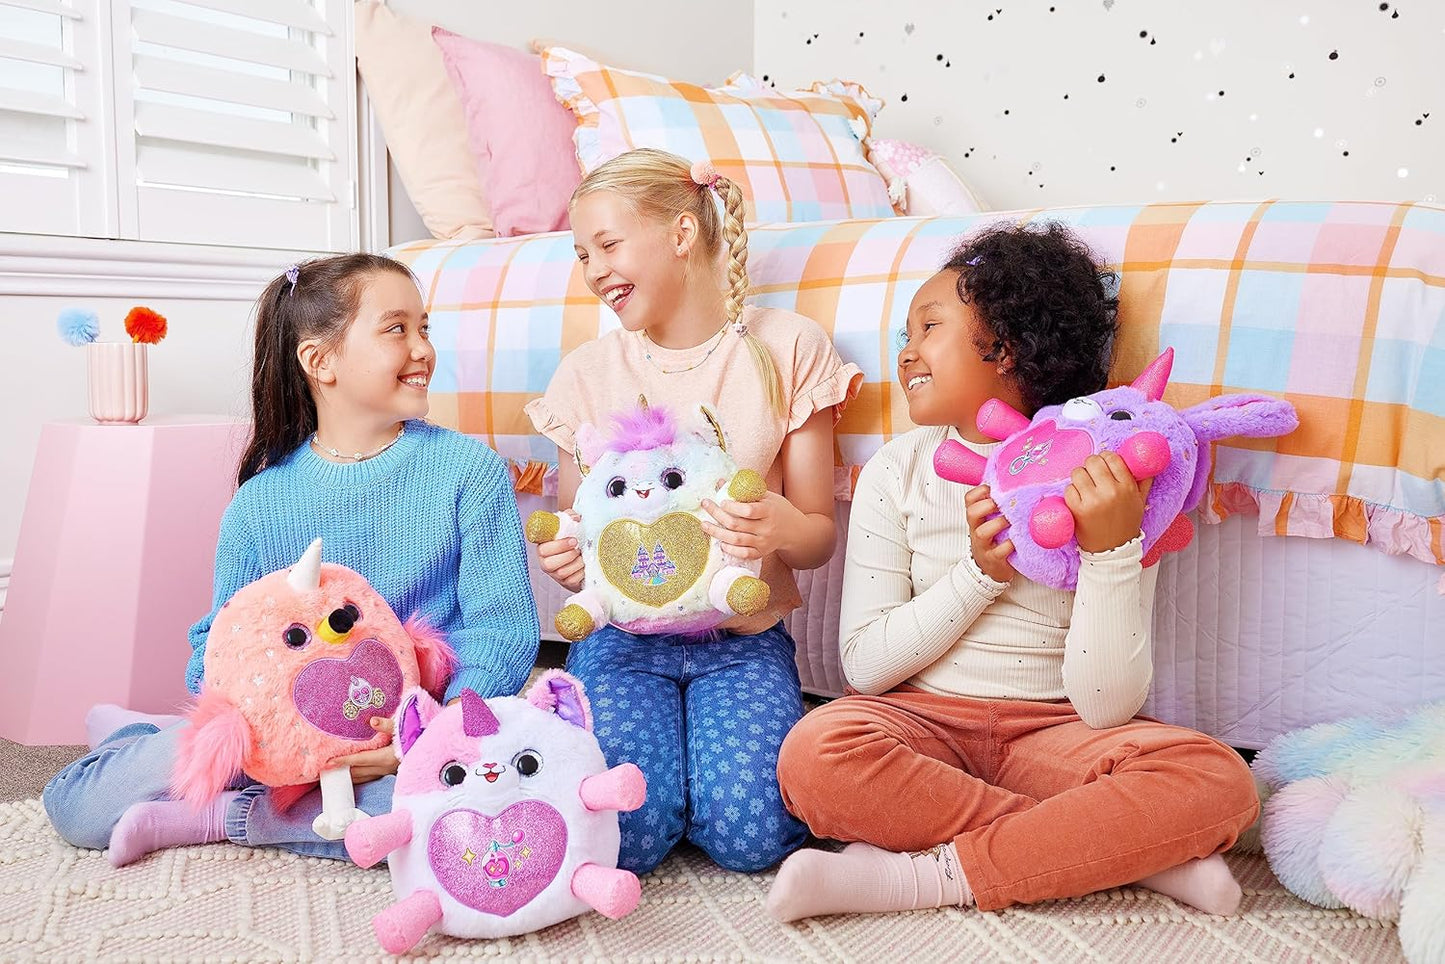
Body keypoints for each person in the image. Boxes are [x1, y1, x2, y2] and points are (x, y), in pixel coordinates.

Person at [766, 223, 1259, 921]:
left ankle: (921, 879)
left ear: (1004, 348)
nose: (905, 351)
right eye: (905, 333)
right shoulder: (897, 471)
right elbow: (866, 667)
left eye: (929, 326)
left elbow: (1105, 708)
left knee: (1218, 779)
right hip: (918, 721)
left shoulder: (1111, 472)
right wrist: (978, 574)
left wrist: (1111, 550)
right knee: (815, 752)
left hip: (1058, 732)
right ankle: (1124, 854)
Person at [44, 253, 540, 865]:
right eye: (396, 329)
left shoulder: (470, 472)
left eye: (424, 328)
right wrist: (266, 732)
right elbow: (219, 639)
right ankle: (144, 738)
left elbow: (502, 631)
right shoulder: (261, 501)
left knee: (464, 819)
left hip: (413, 731)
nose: (423, 350)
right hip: (278, 737)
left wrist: (429, 732)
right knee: (78, 807)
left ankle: (223, 818)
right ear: (319, 361)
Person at [525, 148, 862, 874]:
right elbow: (580, 536)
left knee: (753, 837)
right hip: (621, 643)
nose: (594, 270)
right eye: (582, 255)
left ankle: (702, 779)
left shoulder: (786, 348)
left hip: (741, 640)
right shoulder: (585, 375)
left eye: (608, 245)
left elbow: (815, 538)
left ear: (682, 233)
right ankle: (670, 781)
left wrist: (779, 524)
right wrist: (566, 560)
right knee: (627, 837)